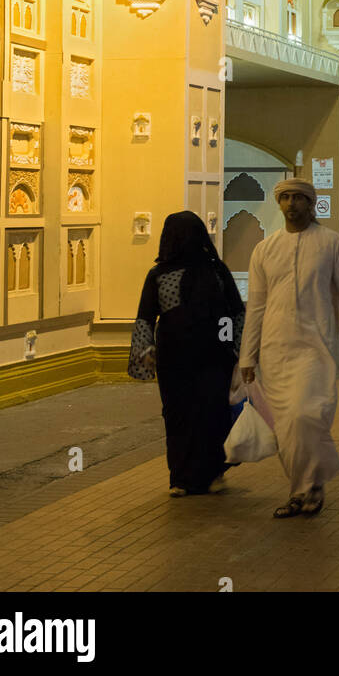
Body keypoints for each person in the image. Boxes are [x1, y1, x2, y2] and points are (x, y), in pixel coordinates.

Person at [239, 178, 339, 518]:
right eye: (285, 198)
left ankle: (309, 485)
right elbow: (257, 306)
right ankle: (306, 490)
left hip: (315, 346)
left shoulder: (332, 243)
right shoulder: (265, 249)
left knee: (306, 414)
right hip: (275, 348)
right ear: (279, 204)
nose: (291, 204)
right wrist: (247, 355)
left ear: (312, 204)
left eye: (298, 198)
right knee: (287, 425)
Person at [128, 211, 245, 496]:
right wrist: (147, 350)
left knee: (210, 413)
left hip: (211, 357)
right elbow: (147, 316)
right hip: (178, 359)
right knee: (181, 415)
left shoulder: (217, 271)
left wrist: (236, 353)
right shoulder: (159, 275)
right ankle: (181, 478)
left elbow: (233, 313)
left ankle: (211, 472)